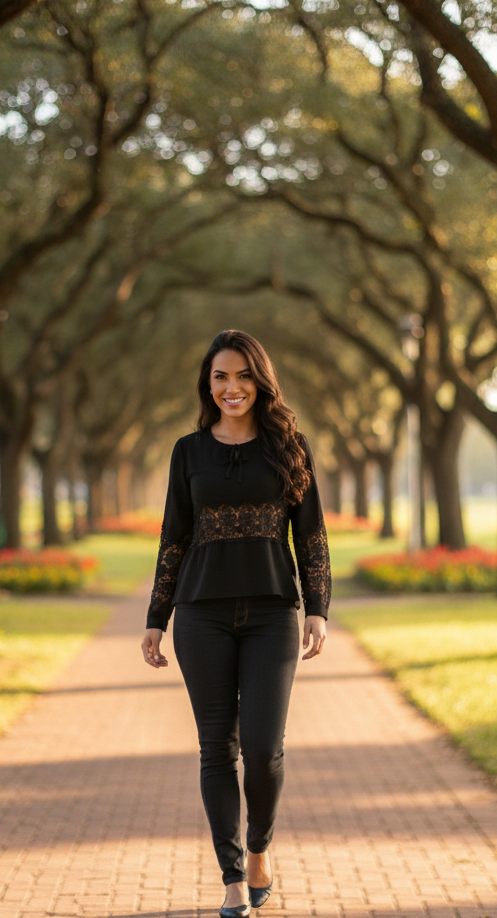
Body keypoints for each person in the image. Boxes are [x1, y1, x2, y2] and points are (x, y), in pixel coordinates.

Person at [141, 330, 331, 918]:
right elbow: (174, 537)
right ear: (208, 385)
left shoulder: (290, 447)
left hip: (273, 614)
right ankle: (231, 879)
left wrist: (318, 608)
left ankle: (258, 849)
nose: (232, 387)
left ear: (260, 381)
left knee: (263, 749)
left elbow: (311, 533)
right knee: (216, 750)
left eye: (243, 375)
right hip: (202, 615)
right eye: (221, 377)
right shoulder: (187, 452)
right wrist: (156, 618)